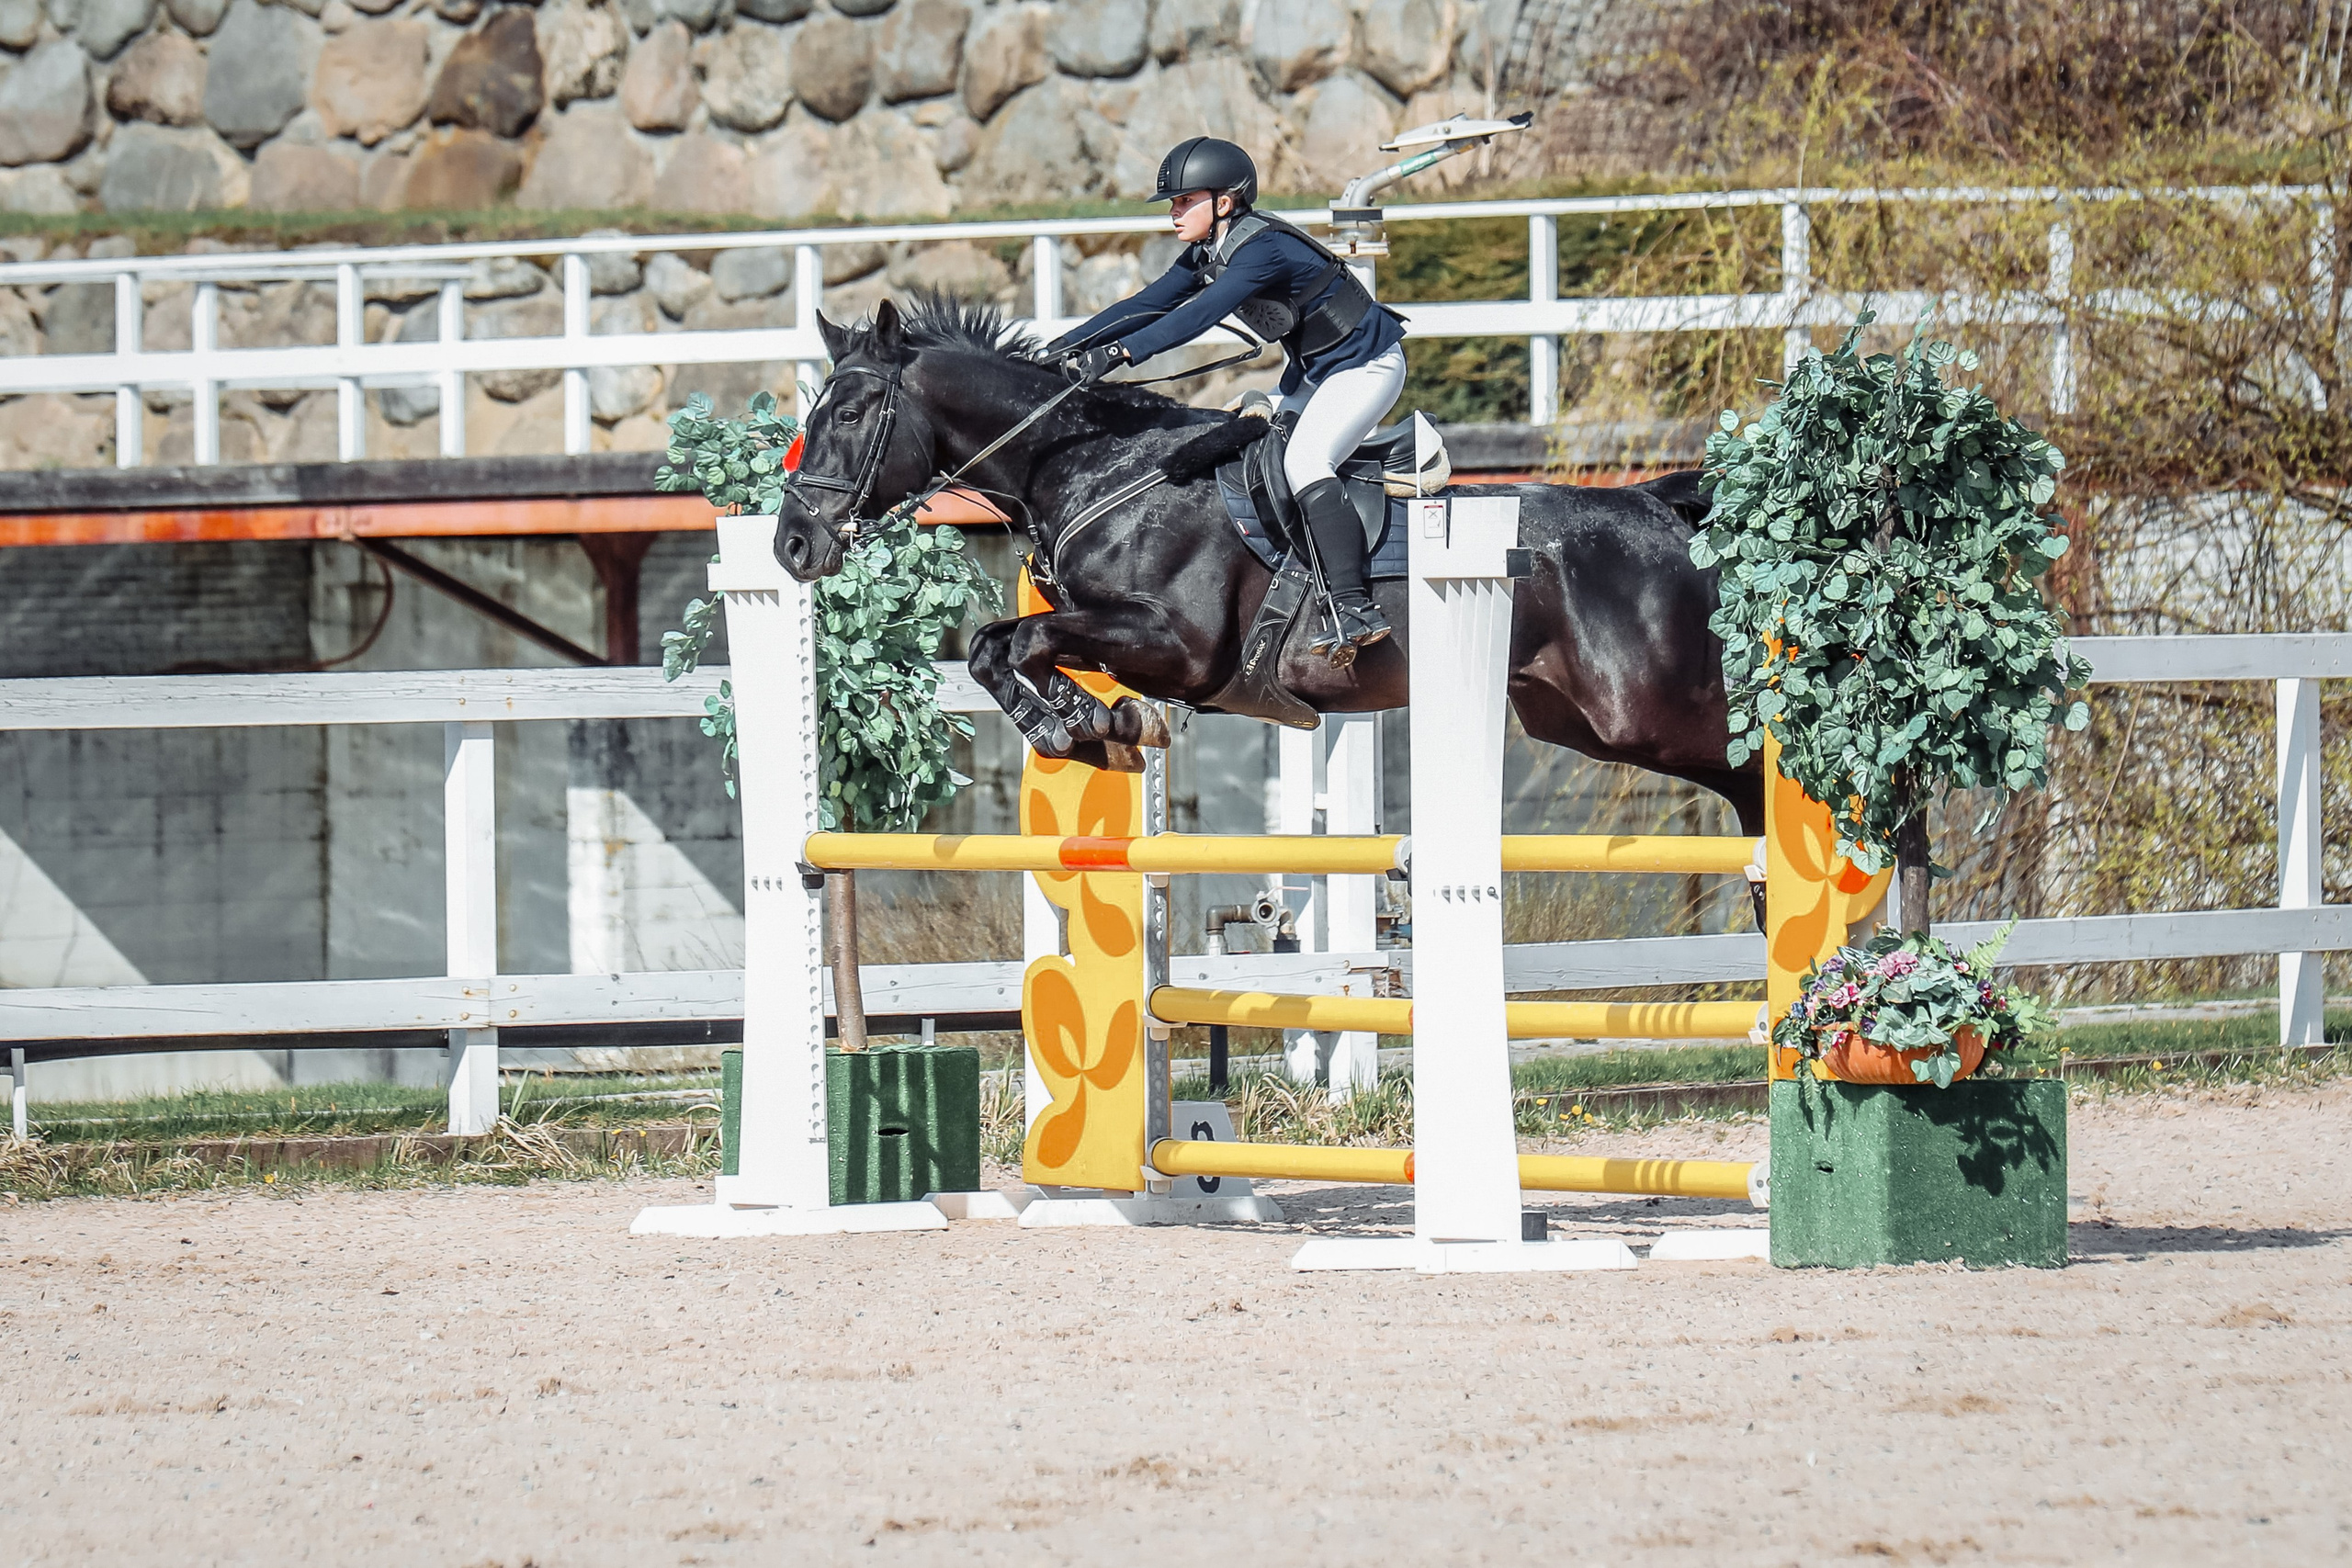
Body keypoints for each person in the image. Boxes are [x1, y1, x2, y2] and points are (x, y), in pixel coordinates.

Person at [1050, 137, 1409, 660]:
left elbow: (1196, 316)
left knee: (1307, 461)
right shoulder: (1209, 251)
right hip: (1315, 375)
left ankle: (1355, 608)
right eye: (1173, 203)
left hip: (1366, 367)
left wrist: (1121, 353)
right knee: (1256, 458)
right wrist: (1060, 349)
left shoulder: (1261, 250)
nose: (1174, 213)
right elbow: (1148, 303)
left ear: (1224, 201)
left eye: (1183, 200)